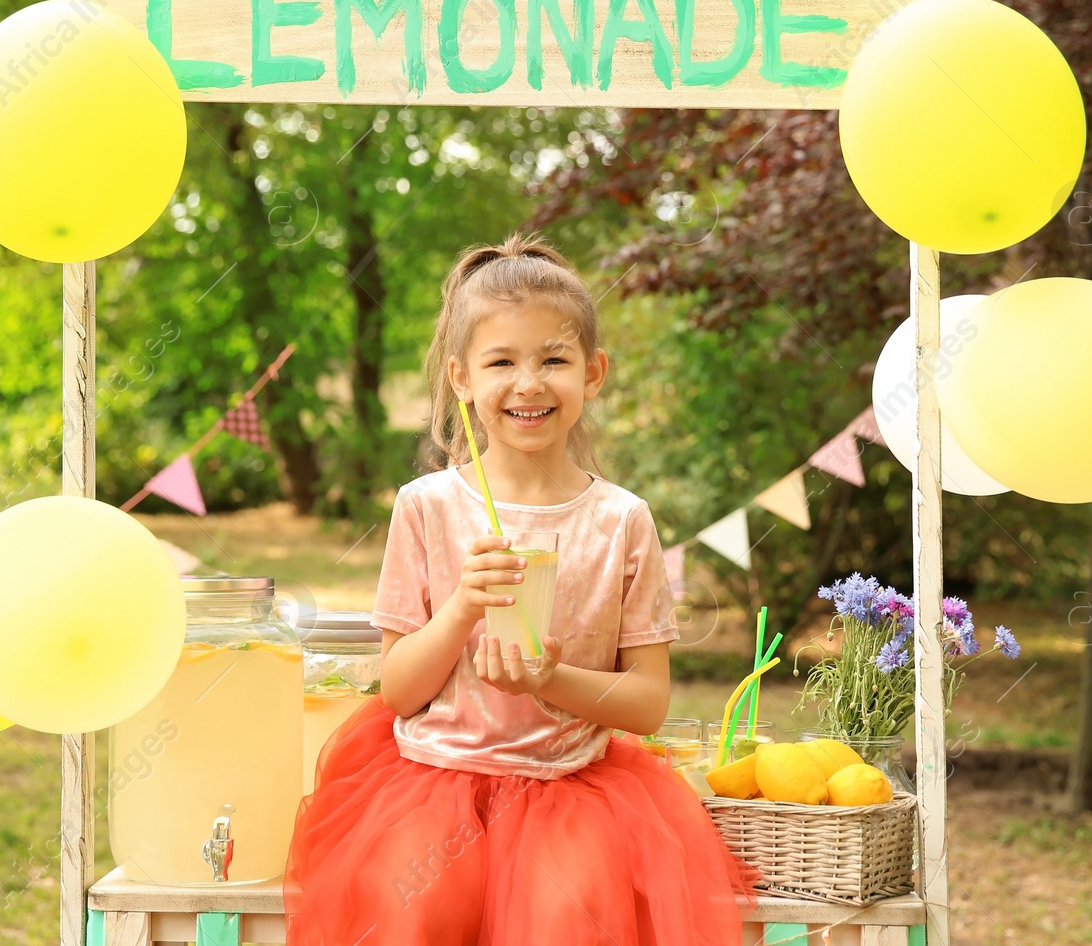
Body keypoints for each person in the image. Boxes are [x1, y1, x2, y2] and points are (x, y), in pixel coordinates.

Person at [285, 234, 749, 946]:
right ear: (461, 376)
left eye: (554, 359)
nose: (528, 383)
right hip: (429, 784)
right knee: (411, 908)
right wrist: (464, 607)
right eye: (501, 361)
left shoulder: (621, 520)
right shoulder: (427, 506)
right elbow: (398, 690)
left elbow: (649, 702)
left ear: (593, 373)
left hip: (572, 789)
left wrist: (551, 678)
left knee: (566, 919)